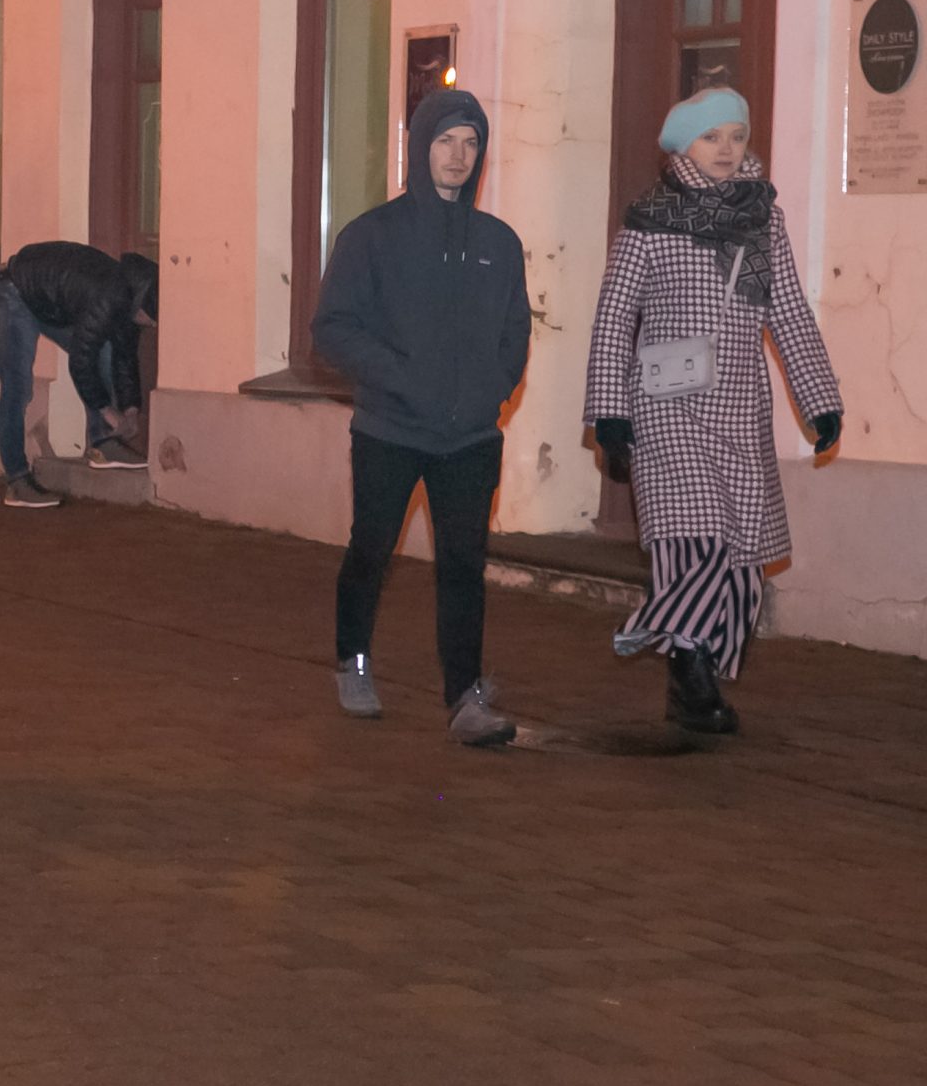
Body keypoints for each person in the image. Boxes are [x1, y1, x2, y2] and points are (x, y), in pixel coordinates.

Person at [583, 88, 840, 736]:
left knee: (742, 561)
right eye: (711, 136)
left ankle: (688, 678)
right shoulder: (648, 222)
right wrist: (610, 413)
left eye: (736, 135)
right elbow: (614, 318)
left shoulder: (762, 220)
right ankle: (682, 659)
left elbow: (788, 313)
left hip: (740, 409)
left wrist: (820, 401)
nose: (726, 148)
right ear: (683, 145)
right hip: (667, 407)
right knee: (693, 540)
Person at [311, 87, 529, 747]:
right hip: (391, 429)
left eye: (471, 143)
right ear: (420, 148)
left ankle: (464, 697)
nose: (459, 155)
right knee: (372, 549)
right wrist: (401, 378)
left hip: (470, 436)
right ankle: (352, 660)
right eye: (445, 141)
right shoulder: (372, 236)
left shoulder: (498, 242)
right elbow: (333, 328)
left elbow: (515, 332)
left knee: (463, 563)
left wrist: (491, 388)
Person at [0, 242, 160, 507]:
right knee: (18, 387)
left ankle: (102, 444)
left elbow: (124, 356)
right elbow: (81, 360)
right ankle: (17, 480)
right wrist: (107, 411)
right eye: (152, 319)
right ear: (141, 307)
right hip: (13, 291)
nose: (153, 325)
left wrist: (131, 410)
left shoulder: (128, 297)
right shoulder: (107, 297)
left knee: (106, 350)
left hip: (45, 298)